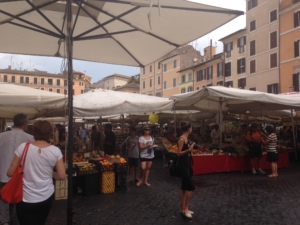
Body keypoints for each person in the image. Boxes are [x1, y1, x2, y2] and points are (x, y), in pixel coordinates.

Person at [6, 120, 66, 225]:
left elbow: (10, 173)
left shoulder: (23, 147)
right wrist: (49, 173)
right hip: (46, 196)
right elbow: (62, 176)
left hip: (25, 197)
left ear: (33, 132)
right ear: (50, 133)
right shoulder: (55, 151)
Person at [0, 113, 35, 225]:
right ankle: (17, 219)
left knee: (4, 198)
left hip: (3, 172)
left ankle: (5, 220)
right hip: (21, 175)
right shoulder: (30, 138)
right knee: (20, 197)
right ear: (25, 123)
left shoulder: (1, 136)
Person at [177, 121, 197, 219]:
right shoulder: (181, 139)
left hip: (186, 163)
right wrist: (188, 150)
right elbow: (178, 153)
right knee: (191, 188)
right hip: (182, 165)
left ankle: (183, 208)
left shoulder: (186, 138)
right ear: (189, 129)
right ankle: (185, 209)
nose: (192, 129)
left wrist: (190, 147)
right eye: (191, 127)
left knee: (184, 187)